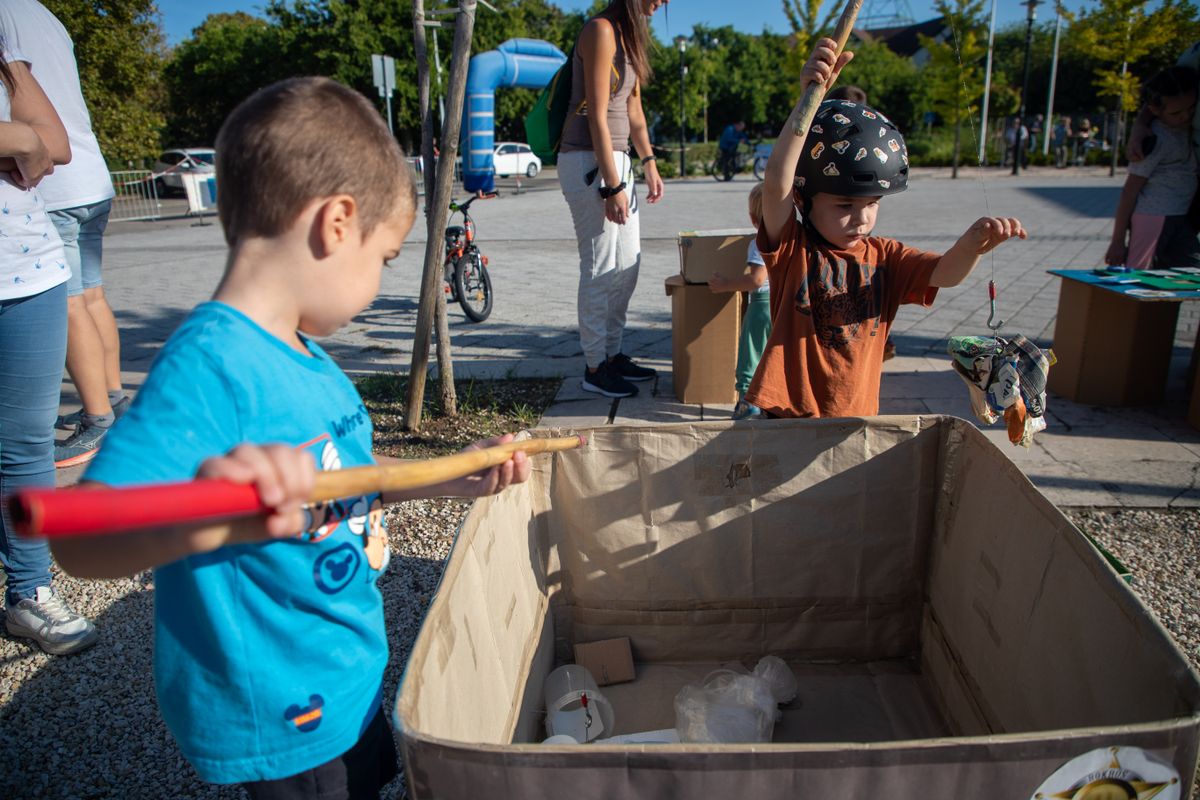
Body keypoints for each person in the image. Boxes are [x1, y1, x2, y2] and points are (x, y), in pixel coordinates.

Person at [49, 77, 532, 795]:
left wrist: (447, 475)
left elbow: (347, 471)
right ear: (336, 223)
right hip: (283, 718)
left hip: (346, 678)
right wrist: (208, 512)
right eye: (385, 259)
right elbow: (79, 540)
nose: (377, 283)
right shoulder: (211, 367)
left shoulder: (304, 353)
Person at [743, 38, 1027, 419]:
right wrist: (810, 101)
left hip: (857, 413)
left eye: (872, 205)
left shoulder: (886, 256)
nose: (861, 218)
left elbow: (945, 273)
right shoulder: (793, 247)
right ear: (803, 200)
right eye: (844, 205)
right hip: (789, 416)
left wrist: (973, 245)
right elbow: (777, 180)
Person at [0, 35, 99, 655]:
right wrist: (20, 139)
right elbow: (29, 141)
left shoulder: (6, 48)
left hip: (28, 269)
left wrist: (28, 137)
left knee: (26, 442)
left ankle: (30, 591)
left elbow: (52, 145)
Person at [0, 0, 126, 469]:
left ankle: (97, 421)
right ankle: (112, 400)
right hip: (92, 174)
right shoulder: (44, 14)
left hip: (51, 183)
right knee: (92, 295)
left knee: (70, 302)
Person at [558, 0, 666, 399]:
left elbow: (634, 111)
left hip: (617, 160)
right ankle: (594, 365)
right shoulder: (601, 31)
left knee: (628, 266)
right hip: (588, 160)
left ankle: (613, 353)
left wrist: (649, 162)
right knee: (601, 267)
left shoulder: (630, 36)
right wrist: (612, 185)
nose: (662, 3)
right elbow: (597, 115)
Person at [1105, 66, 1199, 271]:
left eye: (1191, 109)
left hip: (1180, 216)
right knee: (1137, 275)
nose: (1185, 116)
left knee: (1191, 271)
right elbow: (1130, 191)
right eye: (1176, 112)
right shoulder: (1154, 139)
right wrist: (1117, 241)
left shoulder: (1181, 129)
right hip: (1153, 218)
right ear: (1155, 110)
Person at [709, 183, 769, 420]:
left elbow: (757, 279)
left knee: (751, 352)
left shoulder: (760, 241)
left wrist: (726, 284)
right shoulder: (794, 238)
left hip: (763, 304)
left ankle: (747, 400)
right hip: (790, 304)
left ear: (753, 218)